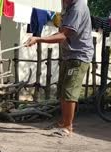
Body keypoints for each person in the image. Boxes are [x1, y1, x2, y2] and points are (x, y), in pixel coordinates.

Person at [25, 0, 93, 137]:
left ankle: (68, 127)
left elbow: (63, 35)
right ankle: (63, 122)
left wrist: (38, 39)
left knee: (69, 91)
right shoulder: (68, 7)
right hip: (69, 55)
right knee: (63, 90)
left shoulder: (77, 8)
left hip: (79, 56)